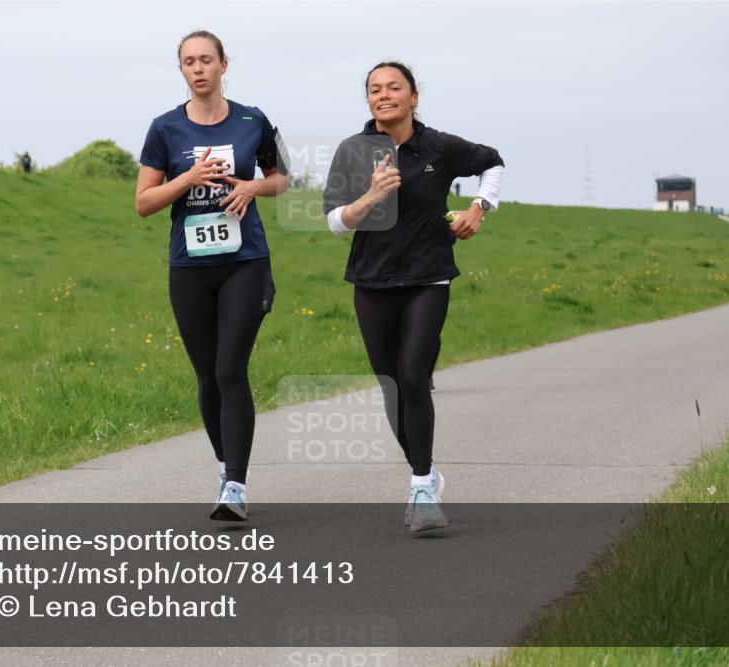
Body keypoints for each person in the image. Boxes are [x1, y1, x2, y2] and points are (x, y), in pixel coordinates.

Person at [323, 61, 504, 531]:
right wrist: (369, 196)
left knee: (412, 374)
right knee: (391, 385)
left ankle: (422, 487)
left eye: (394, 88)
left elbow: (493, 161)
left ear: (413, 97)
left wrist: (479, 208)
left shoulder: (439, 147)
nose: (384, 96)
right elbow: (335, 221)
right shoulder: (352, 151)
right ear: (368, 101)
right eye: (374, 90)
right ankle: (425, 471)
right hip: (372, 281)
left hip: (428, 278)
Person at [135, 30, 288, 521]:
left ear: (224, 65)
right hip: (189, 268)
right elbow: (143, 203)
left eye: (206, 60)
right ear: (181, 70)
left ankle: (237, 488)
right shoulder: (164, 128)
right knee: (206, 376)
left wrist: (252, 188)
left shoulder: (252, 119)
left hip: (245, 262)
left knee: (229, 369)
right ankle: (226, 469)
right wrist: (187, 180)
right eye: (188, 62)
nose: (198, 68)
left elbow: (283, 178)